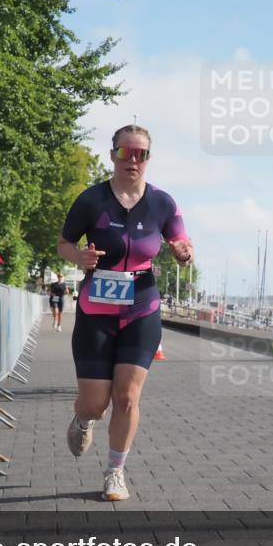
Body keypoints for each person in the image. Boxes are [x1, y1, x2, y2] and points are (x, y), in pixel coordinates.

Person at [57, 124, 192, 501]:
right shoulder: (91, 200)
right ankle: (83, 418)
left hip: (141, 303)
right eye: (125, 153)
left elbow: (181, 239)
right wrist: (79, 256)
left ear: (148, 159)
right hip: (97, 304)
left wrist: (184, 252)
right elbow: (64, 243)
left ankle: (114, 472)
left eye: (141, 154)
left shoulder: (163, 203)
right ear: (112, 154)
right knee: (96, 403)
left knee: (127, 398)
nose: (132, 160)